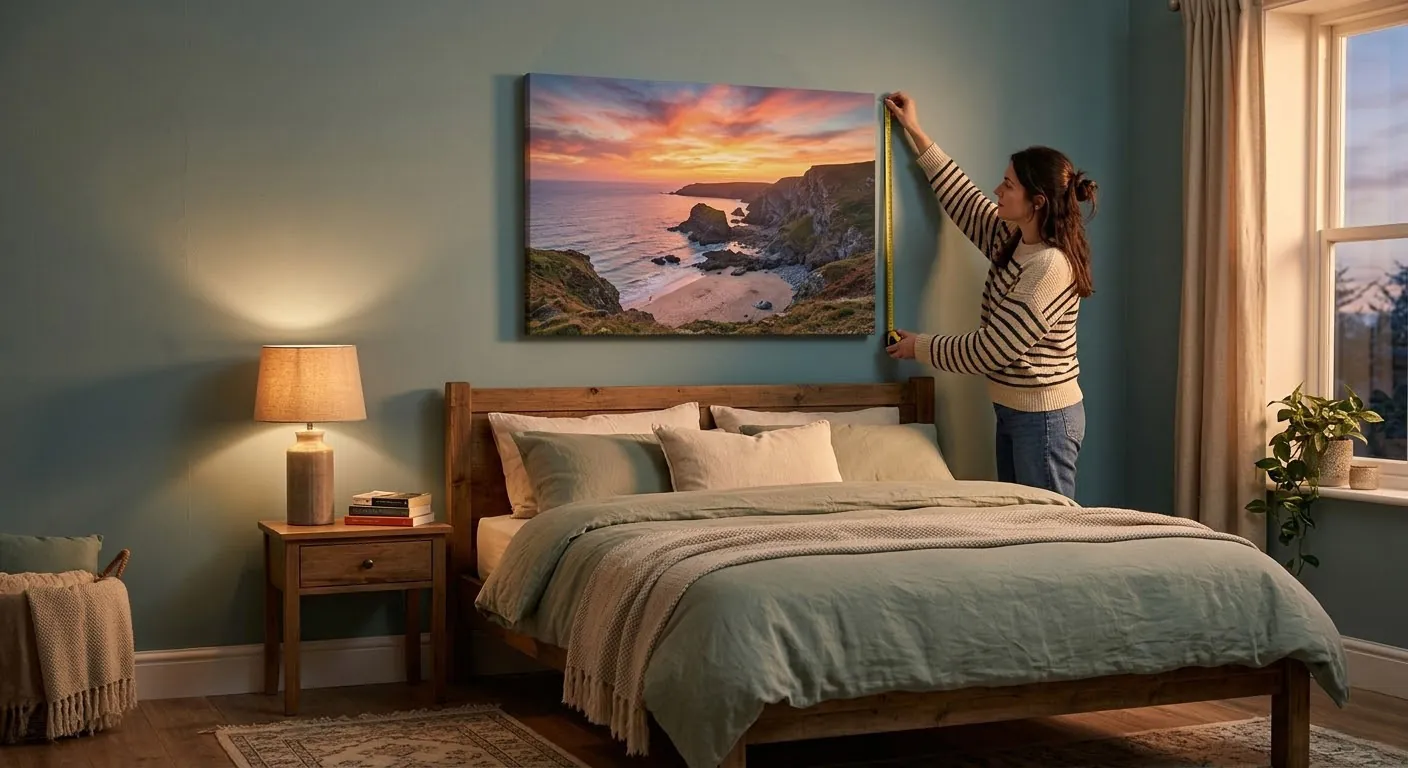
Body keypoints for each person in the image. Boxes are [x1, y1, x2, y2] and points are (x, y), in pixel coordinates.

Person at [882, 91, 1097, 500]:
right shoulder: (1013, 238)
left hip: (1045, 419)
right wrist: (914, 129)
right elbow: (961, 197)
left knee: (1048, 534)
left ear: (1036, 203)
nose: (998, 189)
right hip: (1017, 411)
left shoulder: (1049, 267)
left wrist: (919, 347)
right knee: (1021, 527)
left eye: (1008, 184)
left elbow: (993, 349)